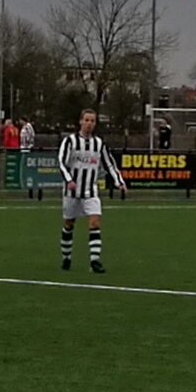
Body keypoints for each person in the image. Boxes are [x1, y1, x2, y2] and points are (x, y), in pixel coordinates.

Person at [57, 109, 126, 273]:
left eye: (92, 121)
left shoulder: (99, 144)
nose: (89, 124)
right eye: (87, 120)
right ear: (80, 121)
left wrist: (119, 182)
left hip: (91, 191)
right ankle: (66, 258)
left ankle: (95, 262)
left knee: (94, 223)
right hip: (71, 192)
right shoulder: (70, 141)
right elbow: (61, 162)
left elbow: (109, 164)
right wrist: (69, 180)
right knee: (68, 224)